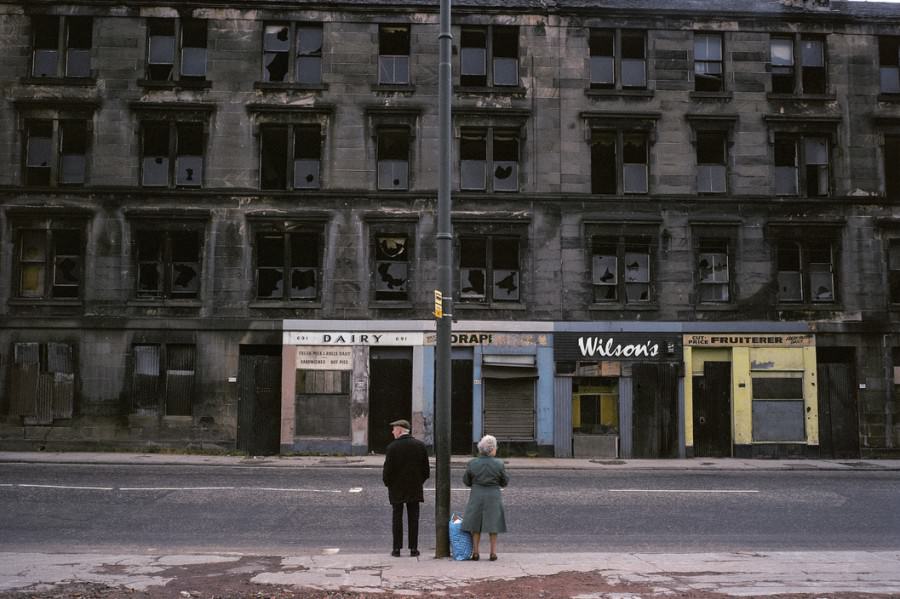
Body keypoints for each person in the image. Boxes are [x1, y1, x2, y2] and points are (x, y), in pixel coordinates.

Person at [382, 418, 430, 557]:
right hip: (414, 487)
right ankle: (413, 549)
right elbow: (426, 471)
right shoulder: (420, 446)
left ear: (400, 430)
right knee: (413, 518)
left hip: (396, 488)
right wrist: (418, 482)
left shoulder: (392, 447)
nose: (392, 432)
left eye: (394, 429)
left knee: (397, 517)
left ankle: (396, 549)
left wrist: (389, 484)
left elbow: (387, 471)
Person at [461, 434, 508, 561]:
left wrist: (475, 484)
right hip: (493, 495)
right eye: (495, 447)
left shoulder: (472, 463)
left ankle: (475, 552)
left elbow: (466, 480)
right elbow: (504, 482)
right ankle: (493, 552)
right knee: (494, 524)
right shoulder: (499, 463)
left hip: (477, 494)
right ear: (492, 449)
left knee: (476, 524)